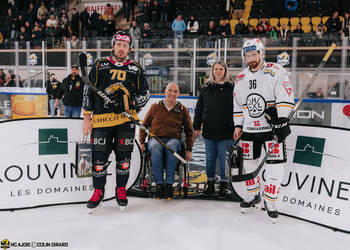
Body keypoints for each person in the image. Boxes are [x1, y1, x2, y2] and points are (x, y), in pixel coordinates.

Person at [82, 30, 150, 210]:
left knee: (124, 158)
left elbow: (146, 94)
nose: (121, 48)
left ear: (130, 48)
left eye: (125, 45)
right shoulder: (100, 64)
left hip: (124, 121)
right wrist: (86, 118)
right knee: (98, 159)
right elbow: (88, 90)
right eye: (118, 45)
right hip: (102, 122)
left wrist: (130, 102)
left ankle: (121, 189)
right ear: (113, 46)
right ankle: (98, 191)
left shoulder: (136, 68)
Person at [233, 38, 294, 221]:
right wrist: (238, 125)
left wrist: (282, 119)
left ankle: (270, 200)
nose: (251, 58)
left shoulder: (275, 70)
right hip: (249, 129)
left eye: (254, 54)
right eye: (248, 55)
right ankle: (254, 195)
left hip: (271, 129)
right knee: (249, 165)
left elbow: (285, 95)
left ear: (261, 53)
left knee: (275, 167)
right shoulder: (241, 77)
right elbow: (238, 103)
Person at [139, 82, 194, 200]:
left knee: (172, 145)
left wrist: (189, 149)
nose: (172, 93)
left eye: (175, 91)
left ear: (178, 94)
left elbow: (190, 131)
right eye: (170, 90)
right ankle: (159, 185)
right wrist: (142, 142)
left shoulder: (182, 109)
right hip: (156, 139)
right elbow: (144, 126)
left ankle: (169, 185)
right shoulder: (155, 107)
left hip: (174, 140)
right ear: (165, 92)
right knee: (155, 147)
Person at [193, 60, 234, 198]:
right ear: (212, 71)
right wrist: (196, 126)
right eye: (216, 69)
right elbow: (199, 109)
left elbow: (238, 109)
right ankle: (210, 183)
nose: (218, 71)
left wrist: (238, 126)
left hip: (226, 131)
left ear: (225, 71)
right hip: (209, 131)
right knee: (210, 159)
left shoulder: (232, 88)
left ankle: (224, 183)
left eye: (221, 69)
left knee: (224, 160)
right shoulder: (206, 88)